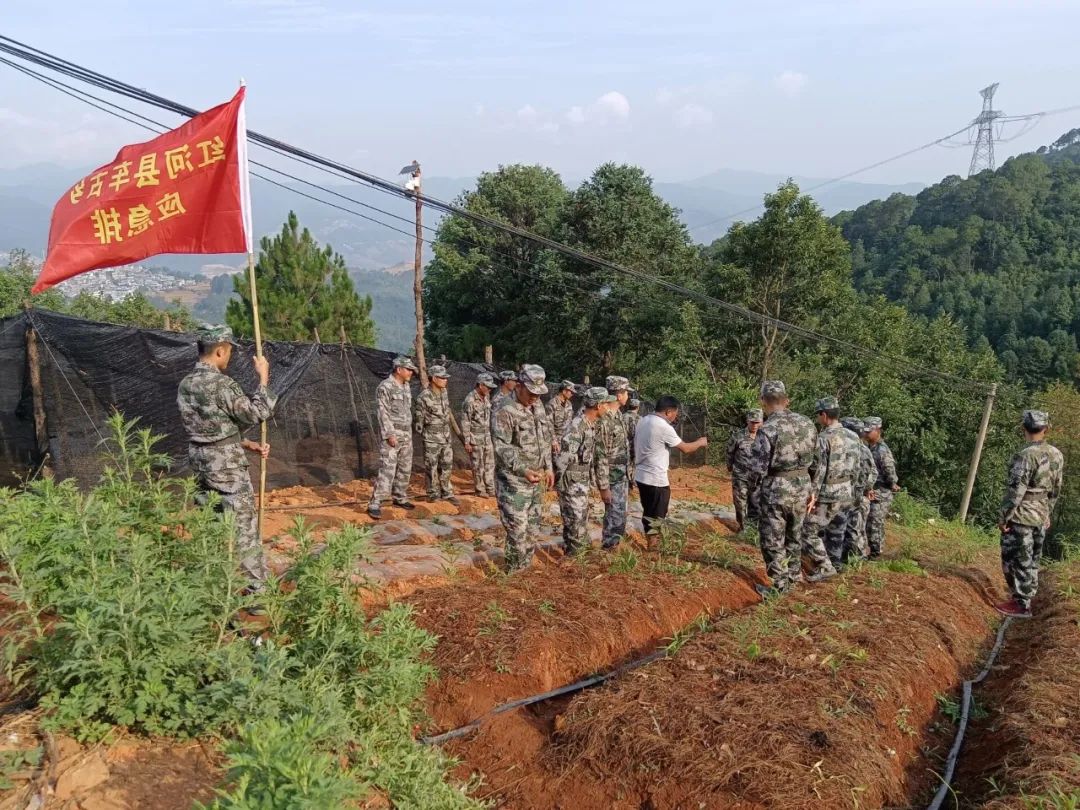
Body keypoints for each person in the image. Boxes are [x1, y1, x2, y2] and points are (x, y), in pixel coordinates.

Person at [177, 324, 276, 590]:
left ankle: (211, 586)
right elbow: (256, 413)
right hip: (227, 469)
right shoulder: (222, 385)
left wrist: (248, 444)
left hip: (200, 462)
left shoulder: (186, 384)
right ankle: (257, 592)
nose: (229, 355)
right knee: (243, 528)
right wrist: (263, 379)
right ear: (220, 351)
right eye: (229, 350)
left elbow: (210, 429)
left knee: (209, 523)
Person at [749, 381, 834, 597]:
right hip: (803, 488)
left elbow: (758, 469)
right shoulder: (807, 424)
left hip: (776, 490)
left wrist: (754, 492)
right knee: (795, 536)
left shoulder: (767, 429)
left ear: (763, 401)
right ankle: (794, 578)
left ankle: (780, 586)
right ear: (786, 401)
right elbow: (818, 462)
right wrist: (812, 490)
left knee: (772, 539)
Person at [997, 410, 1064, 617]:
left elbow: (1016, 491)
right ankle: (1026, 597)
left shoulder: (1025, 456)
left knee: (1016, 559)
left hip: (1021, 516)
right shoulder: (1056, 454)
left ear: (1023, 428)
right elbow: (1056, 488)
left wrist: (1004, 516)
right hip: (1039, 514)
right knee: (1033, 558)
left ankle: (1021, 604)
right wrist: (1046, 513)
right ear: (1046, 429)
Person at [493, 365, 555, 572]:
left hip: (536, 480)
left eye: (539, 394)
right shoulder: (504, 409)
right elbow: (501, 446)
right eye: (531, 393)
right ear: (519, 386)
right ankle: (514, 574)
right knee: (517, 530)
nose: (535, 398)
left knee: (533, 530)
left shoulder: (538, 407)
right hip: (514, 482)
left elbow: (545, 439)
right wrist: (522, 470)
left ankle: (525, 572)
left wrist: (548, 467)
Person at [633, 395, 708, 536]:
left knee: (648, 511)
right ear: (668, 412)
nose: (675, 417)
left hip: (641, 476)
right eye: (675, 414)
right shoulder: (663, 427)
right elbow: (685, 448)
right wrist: (701, 442)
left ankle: (651, 542)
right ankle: (654, 546)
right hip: (656, 480)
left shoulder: (643, 420)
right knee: (658, 515)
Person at [803, 397, 860, 571]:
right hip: (846, 493)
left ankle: (826, 567)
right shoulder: (853, 436)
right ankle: (835, 563)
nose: (818, 419)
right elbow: (857, 467)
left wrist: (813, 495)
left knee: (808, 531)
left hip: (828, 495)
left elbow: (820, 469)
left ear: (824, 415)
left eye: (818, 415)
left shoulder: (824, 438)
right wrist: (853, 490)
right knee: (837, 531)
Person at [555, 386, 613, 556]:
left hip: (580, 482)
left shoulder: (591, 425)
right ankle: (576, 558)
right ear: (598, 405)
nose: (608, 408)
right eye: (606, 404)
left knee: (578, 520)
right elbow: (563, 457)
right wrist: (559, 482)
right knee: (575, 521)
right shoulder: (578, 425)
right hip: (571, 483)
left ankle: (574, 554)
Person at [367, 356, 418, 519]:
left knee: (405, 467)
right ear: (399, 369)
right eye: (408, 369)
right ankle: (375, 502)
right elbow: (383, 413)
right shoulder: (385, 387)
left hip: (406, 434)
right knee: (388, 468)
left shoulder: (406, 386)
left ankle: (399, 497)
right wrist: (389, 434)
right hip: (393, 434)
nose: (411, 372)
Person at [598, 375, 633, 549]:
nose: (628, 396)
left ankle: (614, 545)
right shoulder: (605, 419)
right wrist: (604, 486)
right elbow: (601, 454)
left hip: (621, 475)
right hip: (611, 475)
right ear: (619, 394)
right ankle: (608, 548)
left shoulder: (618, 415)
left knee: (619, 513)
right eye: (626, 392)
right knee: (613, 514)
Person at [414, 364, 457, 504]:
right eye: (442, 378)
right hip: (432, 438)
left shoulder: (444, 393)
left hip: (445, 437)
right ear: (433, 378)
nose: (445, 380)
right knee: (431, 466)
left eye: (446, 378)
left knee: (446, 465)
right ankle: (433, 493)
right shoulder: (423, 397)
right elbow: (419, 421)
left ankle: (447, 492)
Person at [840, 417, 876, 562]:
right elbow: (873, 473)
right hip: (860, 495)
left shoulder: (850, 449)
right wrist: (868, 488)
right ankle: (856, 556)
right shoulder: (865, 450)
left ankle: (856, 558)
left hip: (853, 496)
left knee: (853, 529)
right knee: (858, 529)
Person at [865, 416, 900, 558]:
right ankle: (874, 549)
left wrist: (892, 483)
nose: (866, 433)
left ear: (878, 431)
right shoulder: (870, 447)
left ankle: (876, 553)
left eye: (869, 431)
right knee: (871, 522)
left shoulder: (882, 450)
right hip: (873, 490)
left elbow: (889, 470)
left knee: (875, 522)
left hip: (881, 491)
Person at [726, 409, 764, 533]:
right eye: (752, 422)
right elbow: (730, 452)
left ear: (762, 422)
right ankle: (743, 528)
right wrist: (729, 466)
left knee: (756, 504)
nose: (754, 425)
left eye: (757, 422)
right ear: (747, 421)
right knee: (740, 503)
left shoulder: (765, 437)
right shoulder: (738, 436)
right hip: (740, 476)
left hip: (758, 478)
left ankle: (753, 529)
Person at [461, 372, 498, 497]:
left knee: (489, 464)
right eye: (488, 386)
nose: (490, 389)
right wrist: (467, 441)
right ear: (480, 385)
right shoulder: (470, 400)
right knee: (478, 465)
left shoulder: (486, 397)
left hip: (487, 437)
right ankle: (480, 489)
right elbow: (466, 421)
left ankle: (490, 487)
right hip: (475, 438)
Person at [546, 379, 576, 453]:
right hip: (555, 440)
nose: (572, 394)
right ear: (564, 391)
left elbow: (570, 422)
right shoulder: (552, 404)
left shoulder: (569, 404)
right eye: (571, 392)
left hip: (566, 439)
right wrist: (554, 441)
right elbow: (548, 424)